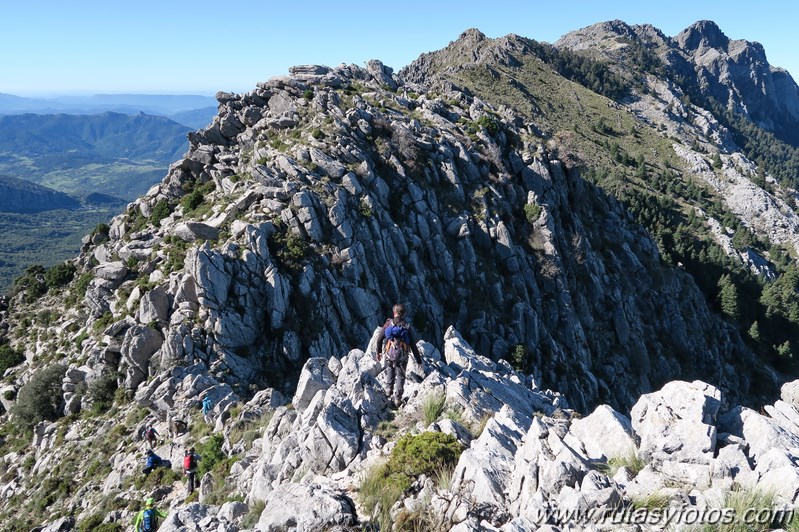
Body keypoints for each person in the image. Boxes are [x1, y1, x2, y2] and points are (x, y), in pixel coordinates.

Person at [375, 303, 423, 408]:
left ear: (394, 312)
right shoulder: (406, 326)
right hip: (402, 356)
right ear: (404, 314)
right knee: (401, 376)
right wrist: (419, 361)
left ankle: (388, 390)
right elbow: (413, 345)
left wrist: (378, 352)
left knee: (390, 370)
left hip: (389, 354)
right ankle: (397, 399)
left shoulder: (388, 324)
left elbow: (379, 340)